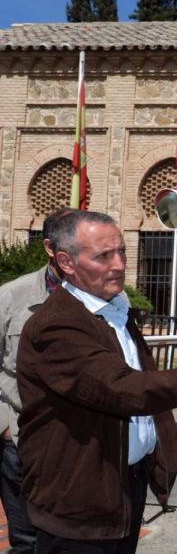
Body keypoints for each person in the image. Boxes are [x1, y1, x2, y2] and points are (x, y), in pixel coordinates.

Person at [15, 210, 177, 553]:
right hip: (77, 502)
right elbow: (124, 388)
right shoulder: (58, 324)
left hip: (122, 486)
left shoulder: (114, 312)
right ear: (66, 262)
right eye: (103, 256)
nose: (119, 264)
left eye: (121, 251)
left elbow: (143, 382)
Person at [0, 208, 73, 554]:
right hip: (21, 437)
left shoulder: (104, 299)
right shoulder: (11, 296)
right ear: (51, 248)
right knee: (27, 541)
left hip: (79, 443)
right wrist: (4, 426)